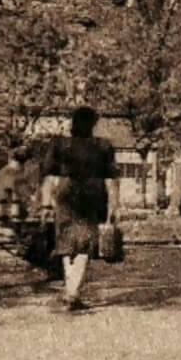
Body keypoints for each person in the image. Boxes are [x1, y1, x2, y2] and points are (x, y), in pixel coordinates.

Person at [41, 106, 119, 311]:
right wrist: (114, 206)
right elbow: (112, 181)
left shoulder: (59, 144)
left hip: (66, 195)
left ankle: (71, 291)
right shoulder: (103, 146)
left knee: (67, 245)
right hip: (91, 196)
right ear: (92, 124)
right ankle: (73, 293)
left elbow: (49, 176)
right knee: (85, 245)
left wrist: (46, 202)